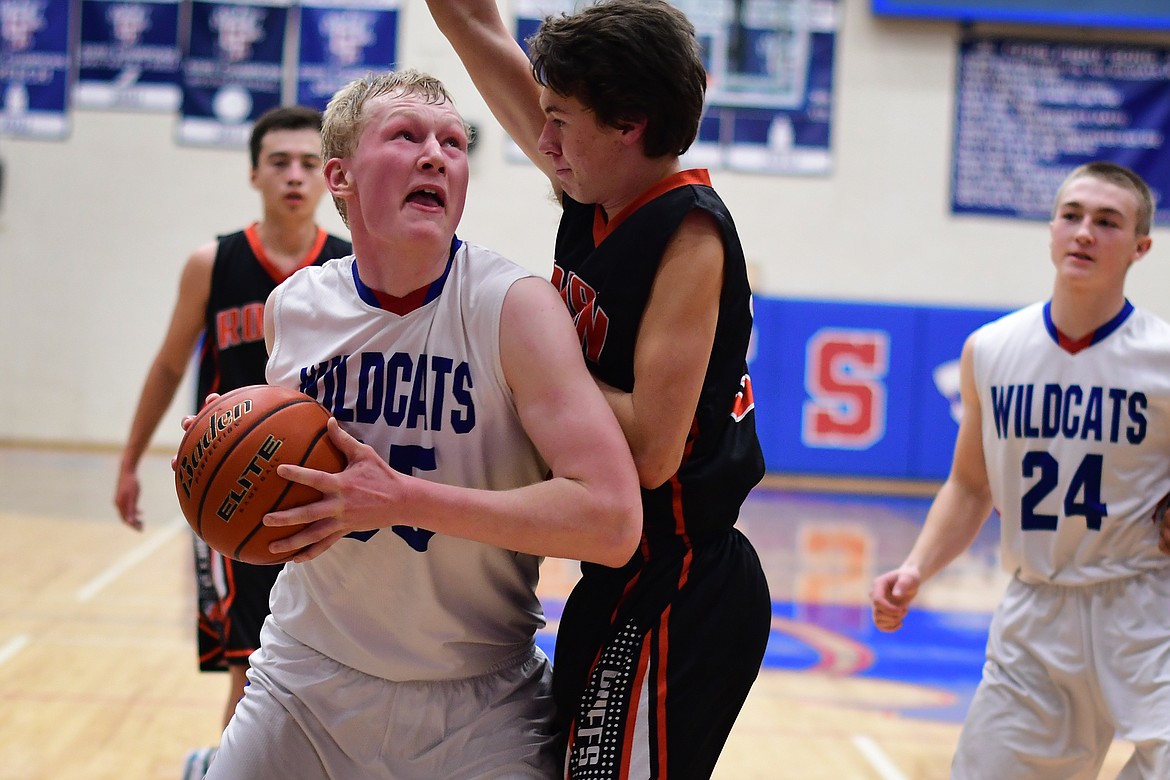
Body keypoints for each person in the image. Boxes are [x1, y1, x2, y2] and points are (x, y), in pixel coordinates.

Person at [195, 69, 643, 779]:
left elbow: (612, 520)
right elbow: (274, 469)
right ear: (338, 175)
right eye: (405, 136)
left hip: (479, 706)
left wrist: (404, 499)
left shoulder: (514, 308)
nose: (436, 154)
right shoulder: (294, 308)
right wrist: (214, 456)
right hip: (304, 683)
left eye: (453, 142)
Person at [423, 2, 773, 777]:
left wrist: (527, 364)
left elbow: (651, 448)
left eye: (559, 120)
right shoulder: (592, 187)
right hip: (617, 575)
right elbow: (472, 26)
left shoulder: (689, 234)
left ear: (629, 124)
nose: (540, 141)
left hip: (684, 584)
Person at [871, 161, 1170, 779]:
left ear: (1141, 247)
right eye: (1072, 216)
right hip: (1037, 610)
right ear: (1052, 229)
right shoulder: (992, 349)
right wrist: (916, 566)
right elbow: (971, 483)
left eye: (1107, 222)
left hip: (1147, 607)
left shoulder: (1163, 359)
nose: (1085, 232)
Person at [112, 105, 352, 775]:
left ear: (330, 175)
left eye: (309, 163)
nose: (295, 177)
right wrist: (130, 462)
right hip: (232, 496)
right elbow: (168, 364)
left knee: (328, 667)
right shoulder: (213, 263)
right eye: (280, 163)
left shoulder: (347, 266)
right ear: (254, 173)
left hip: (318, 495)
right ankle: (224, 767)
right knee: (250, 667)